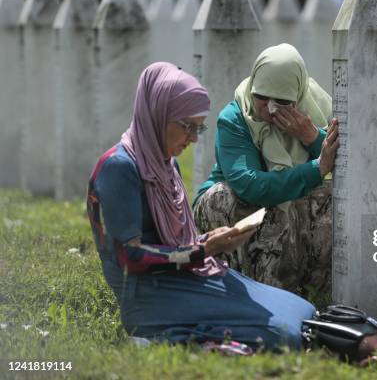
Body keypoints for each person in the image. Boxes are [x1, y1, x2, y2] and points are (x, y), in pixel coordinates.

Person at [86, 62, 315, 349]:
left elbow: (175, 241)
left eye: (198, 128)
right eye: (187, 127)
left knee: (302, 310)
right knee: (285, 335)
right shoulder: (120, 168)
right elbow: (128, 257)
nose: (193, 139)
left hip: (189, 274)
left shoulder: (165, 165)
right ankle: (160, 337)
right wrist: (203, 250)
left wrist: (210, 241)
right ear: (158, 115)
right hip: (149, 297)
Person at [192, 44, 339, 295]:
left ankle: (313, 290)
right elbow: (249, 184)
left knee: (333, 197)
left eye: (282, 101)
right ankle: (243, 287)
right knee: (220, 196)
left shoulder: (315, 109)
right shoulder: (236, 116)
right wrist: (314, 170)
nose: (270, 109)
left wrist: (312, 137)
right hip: (243, 209)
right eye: (262, 97)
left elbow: (343, 160)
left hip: (290, 206)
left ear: (299, 94)